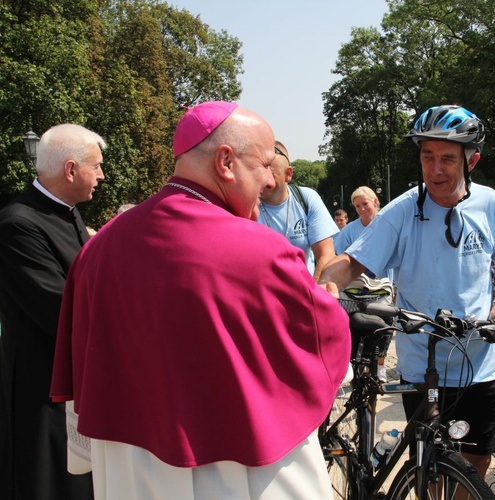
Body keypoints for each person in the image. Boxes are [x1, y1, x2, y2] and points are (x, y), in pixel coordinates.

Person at [49, 102, 350, 499]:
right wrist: (325, 302)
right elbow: (316, 338)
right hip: (234, 469)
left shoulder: (99, 248)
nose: (269, 180)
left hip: (128, 470)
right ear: (226, 162)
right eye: (263, 164)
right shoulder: (261, 251)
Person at [319, 104, 495, 478]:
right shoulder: (401, 212)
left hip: (481, 361)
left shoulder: (490, 203)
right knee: (429, 466)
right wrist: (325, 284)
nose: (435, 169)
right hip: (424, 366)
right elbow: (352, 261)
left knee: (477, 460)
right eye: (427, 157)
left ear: (471, 161)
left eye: (447, 158)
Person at [0, 123, 105, 499]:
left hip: (75, 380)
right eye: (97, 166)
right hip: (41, 390)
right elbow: (59, 307)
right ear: (71, 170)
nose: (102, 175)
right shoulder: (18, 223)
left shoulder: (67, 211)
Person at [334, 186, 392, 382]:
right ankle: (353, 364)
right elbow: (339, 257)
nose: (361, 209)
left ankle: (381, 365)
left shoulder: (388, 225)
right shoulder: (349, 231)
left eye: (365, 204)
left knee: (384, 327)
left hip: (382, 288)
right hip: (355, 289)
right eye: (357, 206)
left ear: (375, 202)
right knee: (353, 328)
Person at [259, 141, 338, 279]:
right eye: (259, 173)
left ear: (288, 174)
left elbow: (326, 254)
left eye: (271, 174)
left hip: (304, 291)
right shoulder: (247, 203)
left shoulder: (306, 198)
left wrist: (314, 295)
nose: (265, 180)